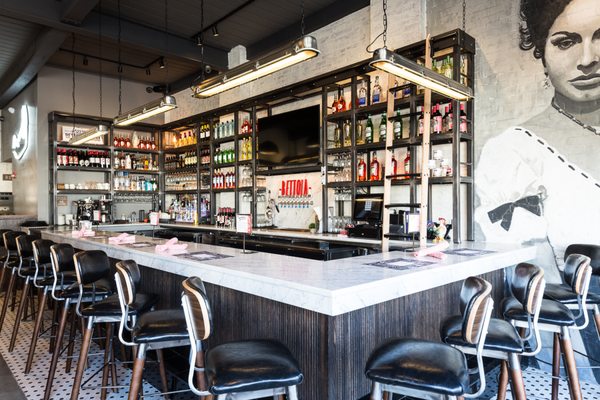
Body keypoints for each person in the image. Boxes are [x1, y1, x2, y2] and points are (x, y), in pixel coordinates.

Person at [476, 0, 600, 280]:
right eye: (566, 42)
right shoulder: (512, 151)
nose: (587, 59)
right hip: (578, 307)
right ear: (543, 54)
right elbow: (531, 272)